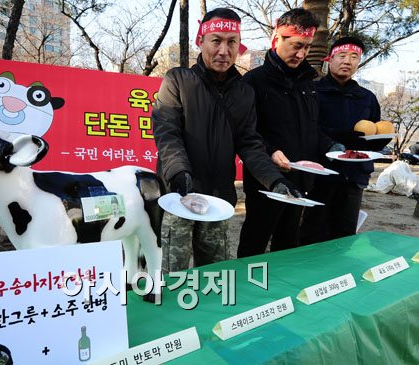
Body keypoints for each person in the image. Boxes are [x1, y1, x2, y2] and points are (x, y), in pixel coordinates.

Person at [152, 8, 300, 273]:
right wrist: (178, 172)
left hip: (218, 201)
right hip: (178, 197)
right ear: (201, 42)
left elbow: (250, 144)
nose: (224, 50)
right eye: (216, 40)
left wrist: (275, 181)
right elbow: (167, 131)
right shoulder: (178, 80)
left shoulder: (244, 92)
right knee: (171, 274)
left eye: (231, 42)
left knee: (215, 276)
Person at [238, 8, 336, 258]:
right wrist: (270, 151)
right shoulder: (254, 82)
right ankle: (246, 292)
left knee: (288, 244)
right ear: (277, 38)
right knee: (255, 242)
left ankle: (283, 295)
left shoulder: (307, 83)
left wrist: (332, 146)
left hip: (300, 179)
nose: (301, 54)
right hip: (266, 179)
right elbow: (246, 131)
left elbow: (311, 127)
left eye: (306, 47)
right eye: (296, 45)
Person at [300, 36, 390, 244]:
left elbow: (373, 136)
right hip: (321, 175)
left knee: (344, 237)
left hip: (353, 178)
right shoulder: (314, 91)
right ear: (329, 59)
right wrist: (333, 142)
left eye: (354, 57)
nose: (347, 61)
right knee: (312, 235)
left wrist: (381, 141)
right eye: (341, 56)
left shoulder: (366, 97)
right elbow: (308, 129)